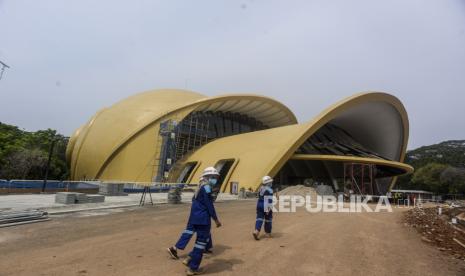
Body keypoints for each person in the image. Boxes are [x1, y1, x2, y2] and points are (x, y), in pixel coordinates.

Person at [167, 166, 222, 275]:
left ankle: (188, 257)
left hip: (194, 217)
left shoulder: (200, 186)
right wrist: (216, 219)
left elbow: (195, 202)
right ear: (208, 177)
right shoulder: (207, 188)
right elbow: (209, 205)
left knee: (193, 236)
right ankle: (193, 268)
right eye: (214, 177)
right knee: (201, 244)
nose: (215, 179)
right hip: (203, 219)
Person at [253, 175, 274, 240]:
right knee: (268, 219)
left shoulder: (260, 188)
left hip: (259, 204)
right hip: (266, 204)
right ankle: (268, 233)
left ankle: (256, 231)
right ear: (268, 183)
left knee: (259, 218)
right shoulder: (270, 190)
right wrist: (268, 208)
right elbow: (269, 200)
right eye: (270, 182)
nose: (271, 183)